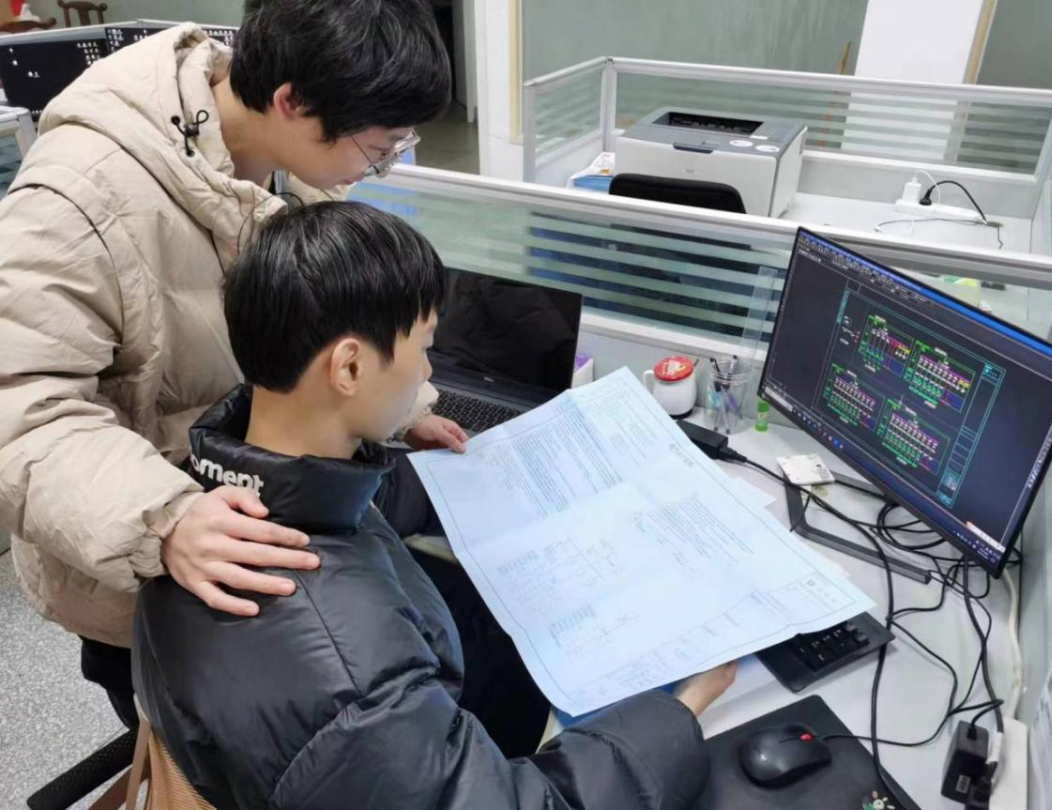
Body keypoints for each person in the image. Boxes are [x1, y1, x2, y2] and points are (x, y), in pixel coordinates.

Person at [132, 200, 738, 810]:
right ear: (349, 367)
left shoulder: (208, 495)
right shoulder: (355, 682)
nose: (428, 373)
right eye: (424, 347)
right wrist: (677, 712)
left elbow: (366, 504)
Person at [0, 0, 472, 734]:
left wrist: (403, 405)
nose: (378, 168)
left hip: (264, 511)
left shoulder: (290, 160)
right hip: (156, 565)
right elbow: (19, 406)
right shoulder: (78, 197)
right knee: (199, 756)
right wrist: (165, 519)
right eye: (378, 149)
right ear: (292, 102)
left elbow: (328, 312)